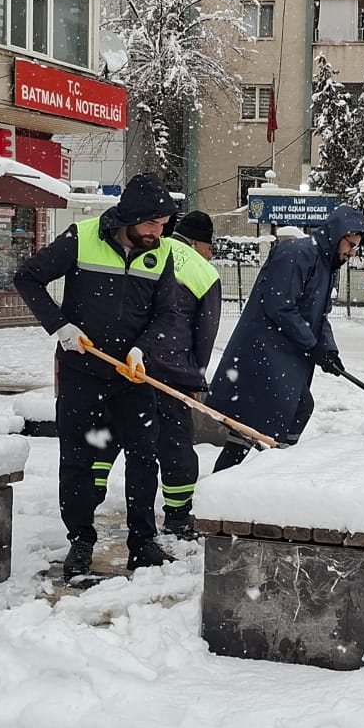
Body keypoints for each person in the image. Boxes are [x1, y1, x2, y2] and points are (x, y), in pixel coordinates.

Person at [14, 175, 179, 583]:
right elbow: (28, 277)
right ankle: (81, 542)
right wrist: (60, 327)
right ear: (131, 217)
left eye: (163, 224)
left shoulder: (160, 254)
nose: (158, 233)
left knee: (143, 457)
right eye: (152, 224)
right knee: (78, 460)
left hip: (133, 377)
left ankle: (142, 543)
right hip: (82, 373)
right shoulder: (81, 237)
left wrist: (145, 349)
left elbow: (168, 314)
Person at [208, 204, 364, 473]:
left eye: (356, 247)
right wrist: (312, 345)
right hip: (264, 351)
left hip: (285, 354)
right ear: (336, 234)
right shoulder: (297, 254)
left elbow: (321, 315)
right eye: (350, 245)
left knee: (272, 416)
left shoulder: (328, 265)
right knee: (283, 412)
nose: (352, 253)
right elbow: (279, 306)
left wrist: (329, 350)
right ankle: (268, 472)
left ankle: (273, 468)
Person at [146, 210, 223, 538]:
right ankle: (178, 516)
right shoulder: (203, 271)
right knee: (175, 443)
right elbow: (205, 333)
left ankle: (93, 507)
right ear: (194, 242)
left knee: (126, 440)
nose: (210, 253)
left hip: (129, 363)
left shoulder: (150, 251)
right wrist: (195, 376)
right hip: (171, 369)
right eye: (209, 246)